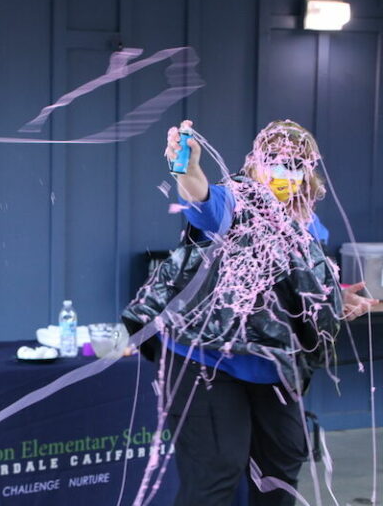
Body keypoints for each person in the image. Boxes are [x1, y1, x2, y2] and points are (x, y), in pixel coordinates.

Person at [121, 120, 378, 506]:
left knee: (283, 462)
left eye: (295, 165)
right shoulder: (237, 202)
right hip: (205, 358)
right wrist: (188, 169)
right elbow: (202, 200)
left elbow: (292, 286)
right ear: (254, 163)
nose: (283, 172)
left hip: (271, 363)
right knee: (217, 470)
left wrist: (335, 300)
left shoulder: (309, 226)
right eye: (274, 160)